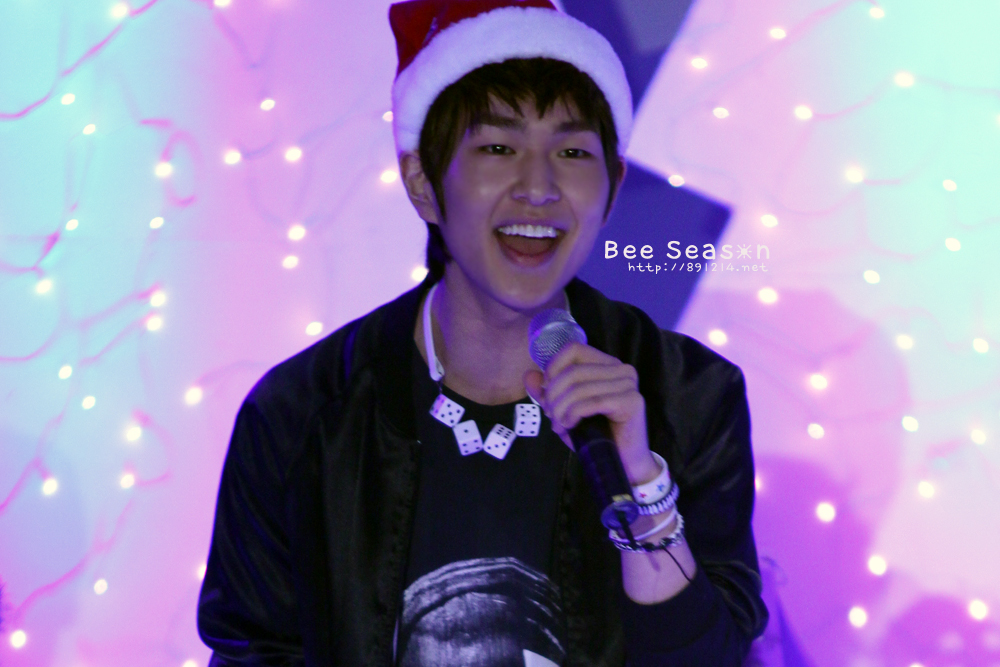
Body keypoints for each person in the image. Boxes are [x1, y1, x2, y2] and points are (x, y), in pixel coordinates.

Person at [196, 1, 769, 665]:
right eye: (498, 147)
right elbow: (255, 649)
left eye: (573, 151)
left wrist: (641, 483)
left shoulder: (690, 394)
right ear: (422, 182)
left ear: (612, 185)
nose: (539, 188)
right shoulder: (301, 413)